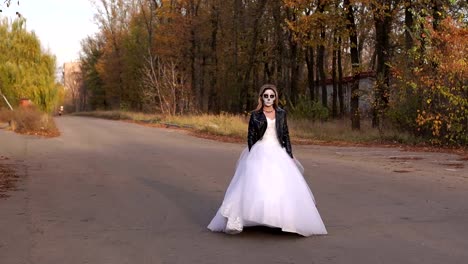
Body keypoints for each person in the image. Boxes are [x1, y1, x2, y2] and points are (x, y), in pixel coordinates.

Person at [207, 84, 327, 236]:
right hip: (260, 150)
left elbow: (286, 135)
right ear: (261, 97)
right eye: (266, 96)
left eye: (272, 96)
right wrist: (252, 153)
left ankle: (283, 220)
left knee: (281, 184)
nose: (269, 99)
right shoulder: (256, 115)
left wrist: (289, 154)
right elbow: (250, 135)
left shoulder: (281, 113)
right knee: (254, 184)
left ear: (275, 98)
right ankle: (241, 218)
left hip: (278, 151)